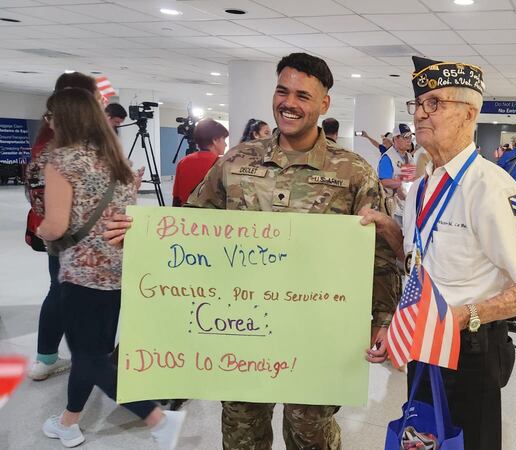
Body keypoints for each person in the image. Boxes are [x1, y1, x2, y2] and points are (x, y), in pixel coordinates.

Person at [105, 52, 400, 450]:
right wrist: (142, 236)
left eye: (303, 95)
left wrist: (381, 319)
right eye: (282, 90)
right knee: (242, 434)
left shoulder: (352, 172)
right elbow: (190, 225)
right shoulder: (237, 161)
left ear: (324, 104)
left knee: (310, 434)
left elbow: (379, 254)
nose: (289, 103)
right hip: (241, 331)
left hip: (318, 334)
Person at [400, 55, 516, 450]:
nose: (420, 114)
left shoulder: (492, 188)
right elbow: (424, 257)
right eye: (417, 103)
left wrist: (464, 316)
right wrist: (386, 227)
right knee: (423, 439)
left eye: (434, 103)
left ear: (469, 114)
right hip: (423, 342)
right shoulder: (421, 187)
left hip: (468, 349)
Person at [36, 87, 184, 449]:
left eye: (50, 115)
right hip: (118, 270)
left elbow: (55, 226)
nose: (48, 122)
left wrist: (40, 230)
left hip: (82, 274)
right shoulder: (114, 159)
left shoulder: (62, 161)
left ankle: (158, 419)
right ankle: (69, 423)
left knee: (89, 356)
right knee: (95, 353)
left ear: (64, 118)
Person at [24, 71, 103, 382]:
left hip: (62, 243)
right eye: (97, 98)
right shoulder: (76, 154)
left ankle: (47, 357)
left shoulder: (46, 146)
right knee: (88, 300)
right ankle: (92, 363)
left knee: (57, 292)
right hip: (82, 243)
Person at [172, 118, 227, 207]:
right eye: (223, 139)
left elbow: (177, 199)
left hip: (187, 215)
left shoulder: (183, 162)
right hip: (212, 217)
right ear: (215, 140)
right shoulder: (222, 164)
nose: (225, 144)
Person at [378, 123, 416, 225]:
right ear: (395, 139)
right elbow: (384, 181)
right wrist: (401, 183)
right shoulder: (388, 157)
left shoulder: (408, 157)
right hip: (393, 208)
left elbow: (409, 178)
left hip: (407, 205)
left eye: (410, 137)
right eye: (405, 137)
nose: (409, 140)